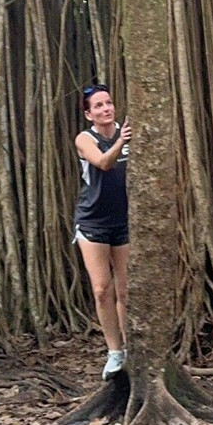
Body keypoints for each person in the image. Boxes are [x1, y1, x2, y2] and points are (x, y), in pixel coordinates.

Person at [74, 83, 132, 379]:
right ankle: (114, 351)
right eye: (98, 106)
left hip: (125, 220)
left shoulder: (127, 132)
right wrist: (121, 142)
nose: (106, 109)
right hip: (93, 221)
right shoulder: (85, 138)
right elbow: (102, 163)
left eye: (108, 103)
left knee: (126, 290)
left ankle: (132, 349)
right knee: (101, 290)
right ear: (89, 114)